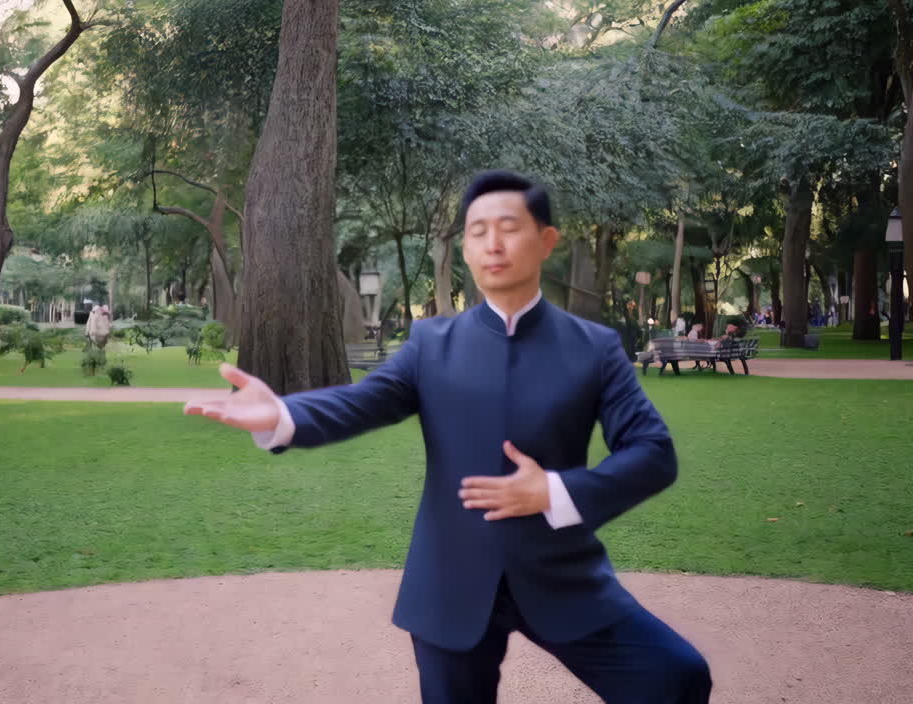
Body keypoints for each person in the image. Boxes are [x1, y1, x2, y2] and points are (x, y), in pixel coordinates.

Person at [185, 170, 710, 703]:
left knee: (675, 675)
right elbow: (360, 402)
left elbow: (653, 453)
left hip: (563, 577)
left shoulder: (593, 348)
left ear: (546, 240)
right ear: (464, 247)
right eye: (477, 231)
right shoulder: (431, 343)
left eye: (508, 227)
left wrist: (553, 492)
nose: (493, 244)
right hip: (449, 582)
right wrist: (281, 415)